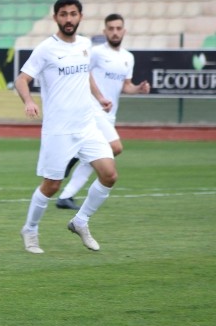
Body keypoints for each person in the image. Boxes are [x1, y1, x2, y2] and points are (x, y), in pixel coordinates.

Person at [14, 0, 117, 254]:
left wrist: (101, 96)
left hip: (86, 126)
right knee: (52, 185)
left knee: (109, 175)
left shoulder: (84, 44)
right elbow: (22, 79)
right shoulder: (46, 49)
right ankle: (30, 229)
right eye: (63, 14)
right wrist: (28, 101)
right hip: (58, 130)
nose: (68, 19)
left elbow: (86, 73)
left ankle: (80, 221)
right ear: (55, 18)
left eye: (73, 14)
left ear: (80, 16)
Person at [55, 13, 150, 210]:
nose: (115, 32)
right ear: (105, 31)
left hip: (109, 115)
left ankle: (66, 196)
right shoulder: (96, 52)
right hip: (92, 108)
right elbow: (83, 73)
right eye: (111, 29)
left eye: (118, 28)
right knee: (115, 148)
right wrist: (97, 97)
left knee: (97, 156)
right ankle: (72, 156)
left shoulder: (128, 57)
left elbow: (126, 86)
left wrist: (138, 89)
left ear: (124, 31)